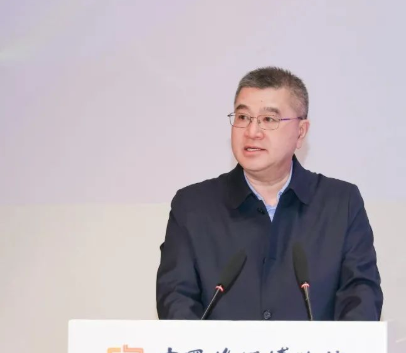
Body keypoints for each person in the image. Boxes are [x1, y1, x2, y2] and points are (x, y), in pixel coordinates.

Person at [156, 67, 383, 321]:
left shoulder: (341, 204)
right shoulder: (192, 208)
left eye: (268, 119)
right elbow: (176, 300)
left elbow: (361, 298)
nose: (252, 131)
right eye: (243, 117)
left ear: (301, 132)